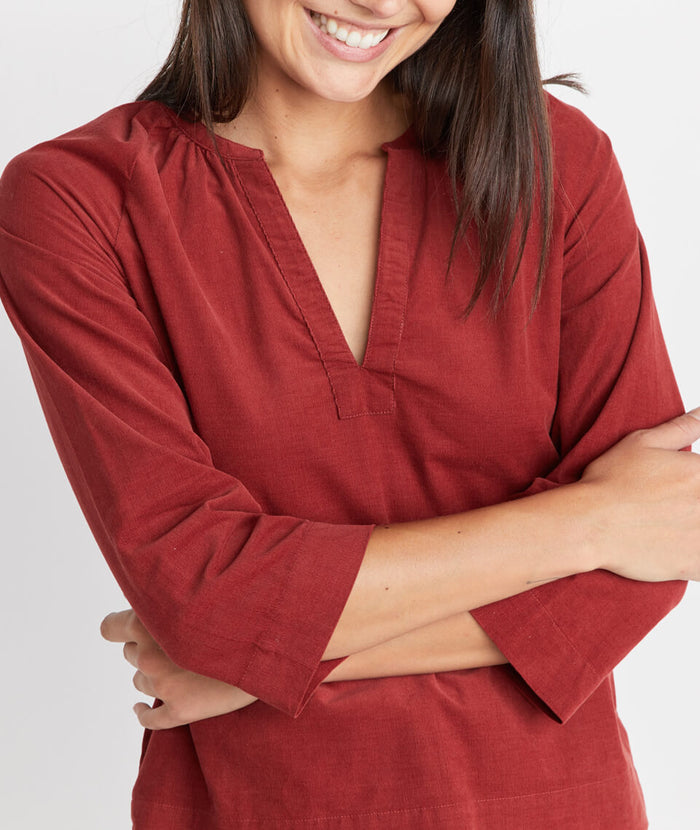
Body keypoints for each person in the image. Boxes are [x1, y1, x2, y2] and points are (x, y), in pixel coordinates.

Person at [1, 1, 699, 828]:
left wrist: (256, 662)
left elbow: (656, 552)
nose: (381, 3)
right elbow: (201, 597)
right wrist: (594, 522)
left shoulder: (554, 160)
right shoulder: (79, 201)